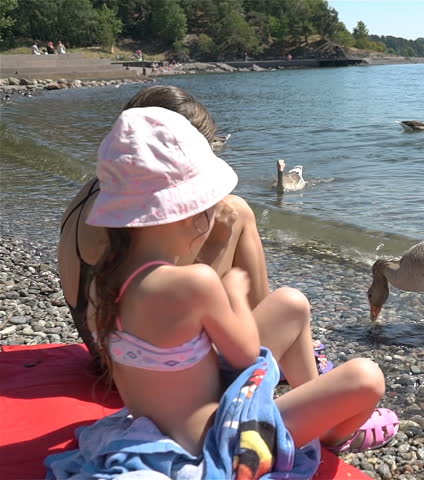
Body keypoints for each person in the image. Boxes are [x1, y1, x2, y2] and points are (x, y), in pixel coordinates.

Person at [45, 107, 398, 478]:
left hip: (162, 423)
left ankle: (316, 407)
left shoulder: (113, 276)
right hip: (218, 445)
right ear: (190, 213)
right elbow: (247, 355)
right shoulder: (196, 283)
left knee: (291, 303)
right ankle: (330, 433)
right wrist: (233, 293)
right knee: (366, 377)